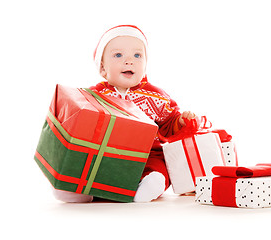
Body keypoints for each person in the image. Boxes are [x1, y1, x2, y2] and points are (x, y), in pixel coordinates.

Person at [53, 25, 197, 203]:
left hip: (145, 155)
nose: (129, 61)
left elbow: (168, 122)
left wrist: (181, 121)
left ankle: (148, 185)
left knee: (158, 167)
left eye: (137, 55)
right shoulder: (94, 96)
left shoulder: (156, 96)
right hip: (107, 155)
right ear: (103, 68)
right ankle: (82, 190)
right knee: (91, 165)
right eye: (118, 55)